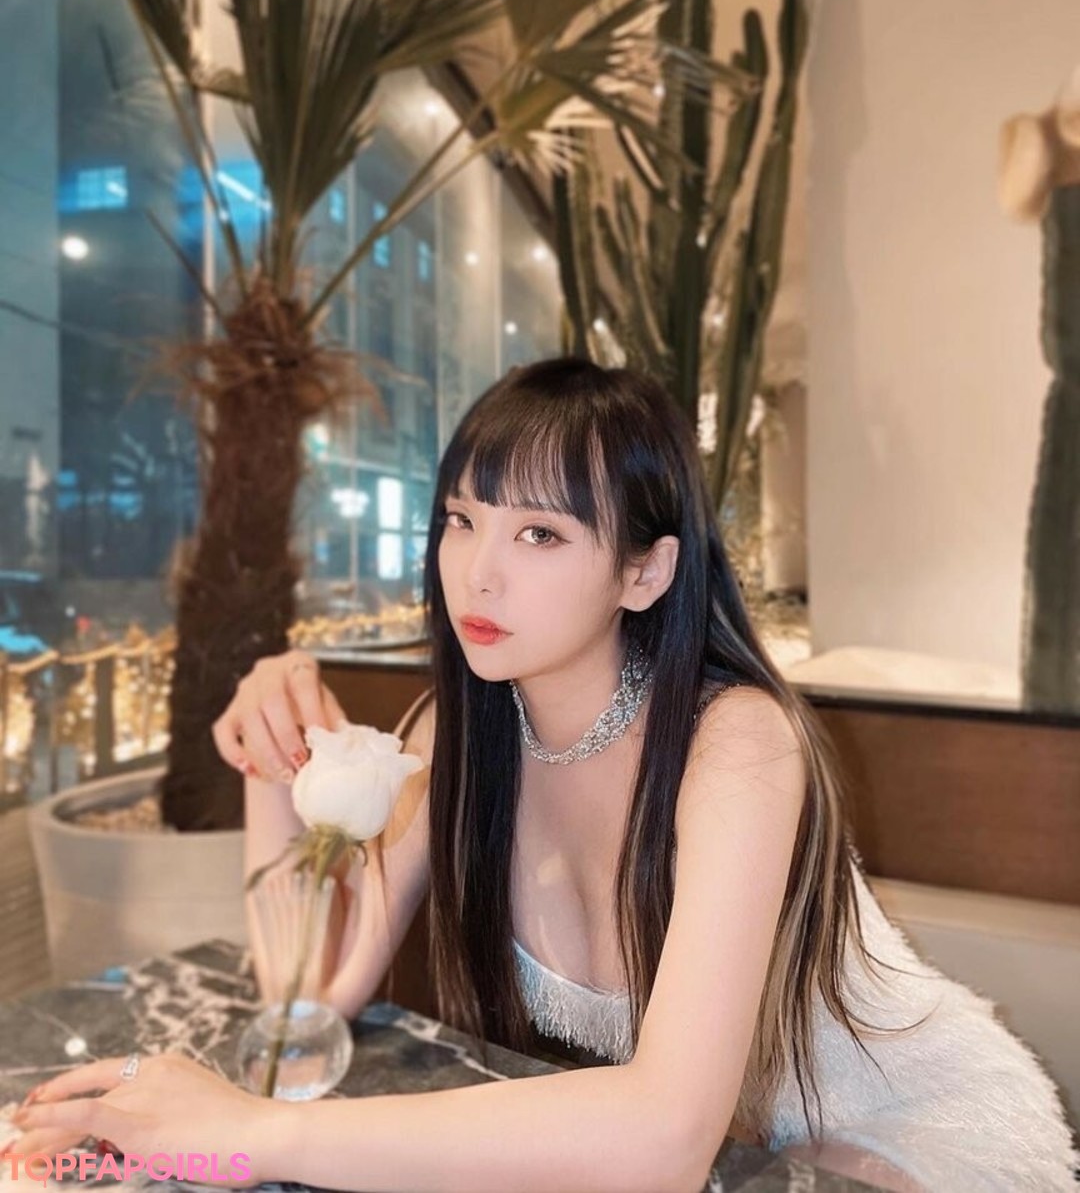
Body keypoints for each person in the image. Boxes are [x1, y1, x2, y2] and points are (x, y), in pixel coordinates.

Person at [8, 359, 1078, 1192]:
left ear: (645, 570)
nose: (479, 571)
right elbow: (314, 994)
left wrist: (253, 1135)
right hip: (742, 1151)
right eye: (462, 520)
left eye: (540, 532)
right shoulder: (459, 729)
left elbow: (664, 1136)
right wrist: (268, 754)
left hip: (904, 1130)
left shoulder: (736, 743)